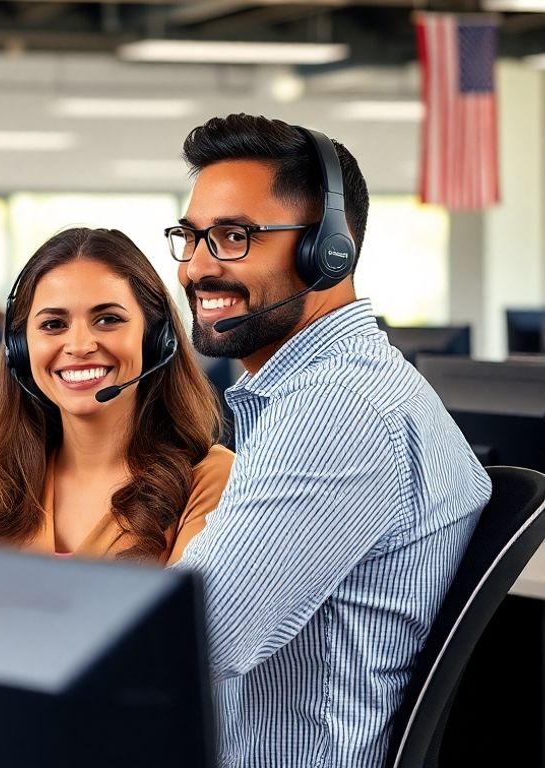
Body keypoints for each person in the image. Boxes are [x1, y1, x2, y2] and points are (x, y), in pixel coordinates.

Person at [168, 114, 490, 767]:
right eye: (191, 237)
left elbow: (183, 641)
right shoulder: (310, 396)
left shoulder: (338, 411)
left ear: (328, 251)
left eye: (233, 236)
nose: (196, 269)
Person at [0, 227, 232, 564]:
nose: (79, 346)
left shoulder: (209, 479)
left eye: (108, 319)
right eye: (53, 325)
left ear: (155, 340)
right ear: (20, 350)